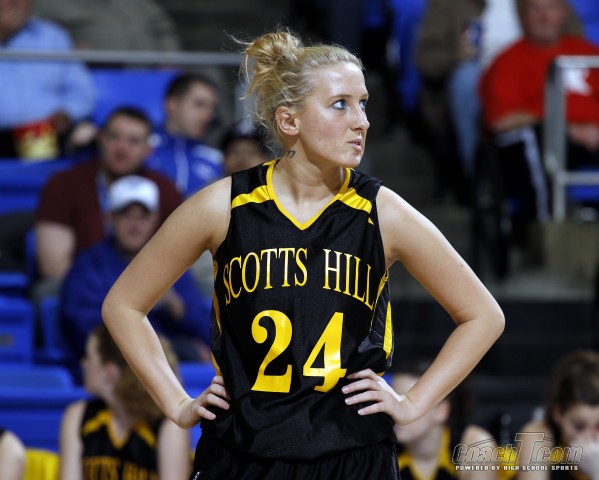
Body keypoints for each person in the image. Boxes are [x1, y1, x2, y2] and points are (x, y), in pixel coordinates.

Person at [102, 28, 504, 479]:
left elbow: (483, 315)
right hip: (241, 453)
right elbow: (124, 305)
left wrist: (412, 404)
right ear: (289, 121)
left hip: (352, 456)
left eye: (363, 103)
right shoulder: (224, 205)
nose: (362, 121)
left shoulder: (382, 212)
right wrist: (177, 403)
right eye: (340, 104)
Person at [479, 0, 599, 250]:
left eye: (552, 8)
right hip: (535, 147)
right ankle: (549, 234)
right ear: (522, 15)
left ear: (564, 13)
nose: (544, 17)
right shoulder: (508, 61)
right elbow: (501, 121)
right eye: (536, 9)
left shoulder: (587, 54)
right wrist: (563, 126)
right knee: (537, 135)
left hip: (592, 138)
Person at [60, 175, 211, 367]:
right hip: (112, 368)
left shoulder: (171, 262)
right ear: (110, 218)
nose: (135, 224)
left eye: (143, 216)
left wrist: (176, 307)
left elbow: (206, 328)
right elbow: (86, 328)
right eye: (126, 215)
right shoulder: (89, 265)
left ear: (155, 219)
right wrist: (165, 346)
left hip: (166, 365)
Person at [34, 107, 183, 296]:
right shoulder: (63, 184)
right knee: (49, 291)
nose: (122, 149)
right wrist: (110, 297)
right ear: (100, 139)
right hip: (85, 289)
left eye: (133, 141)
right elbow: (54, 267)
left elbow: (180, 262)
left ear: (148, 150)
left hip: (149, 294)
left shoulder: (165, 190)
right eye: (114, 137)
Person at [59, 324, 191, 480]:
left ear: (109, 372)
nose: (83, 363)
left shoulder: (168, 425)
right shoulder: (78, 415)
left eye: (88, 357)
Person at [0, 0, 96, 159]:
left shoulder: (53, 36)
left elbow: (82, 93)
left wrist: (67, 113)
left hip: (42, 137)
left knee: (92, 141)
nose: (15, 2)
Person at [392, 361, 499, 479]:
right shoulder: (384, 449)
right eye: (392, 400)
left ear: (441, 411)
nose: (394, 411)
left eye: (406, 402)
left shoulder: (476, 447)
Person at [516, 350, 599, 479]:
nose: (590, 437)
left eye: (598, 426)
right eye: (579, 426)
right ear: (558, 413)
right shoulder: (537, 437)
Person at [145, 73, 224, 199]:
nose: (208, 116)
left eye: (212, 108)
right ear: (172, 104)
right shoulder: (143, 149)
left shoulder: (217, 160)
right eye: (199, 104)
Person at [32, 0, 180, 51]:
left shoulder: (140, 2)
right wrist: (68, 52)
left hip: (151, 78)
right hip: (94, 81)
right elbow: (31, 37)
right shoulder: (49, 3)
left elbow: (163, 27)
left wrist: (169, 58)